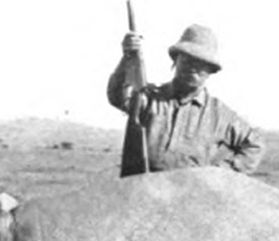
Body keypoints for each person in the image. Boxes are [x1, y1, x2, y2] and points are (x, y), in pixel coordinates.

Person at [108, 24, 266, 177]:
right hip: (143, 194)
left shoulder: (220, 115)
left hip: (190, 199)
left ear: (211, 70)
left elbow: (255, 144)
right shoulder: (150, 98)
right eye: (188, 60)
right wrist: (128, 57)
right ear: (176, 60)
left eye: (202, 64)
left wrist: (221, 174)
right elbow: (116, 96)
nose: (193, 68)